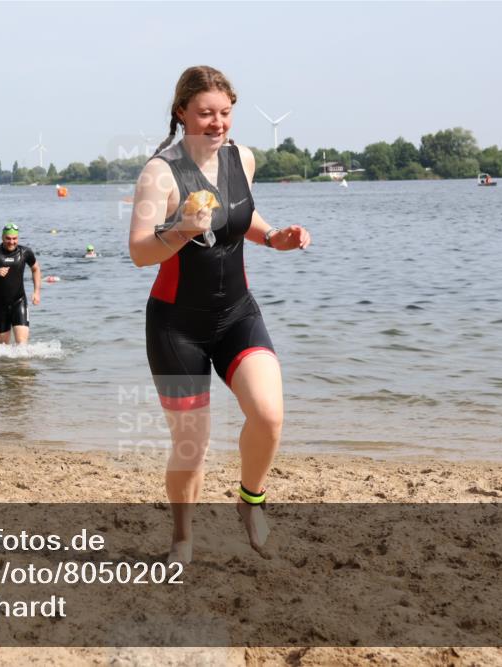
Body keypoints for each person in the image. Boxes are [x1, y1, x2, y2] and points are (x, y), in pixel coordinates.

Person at [128, 65, 311, 565]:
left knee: (268, 415)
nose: (218, 123)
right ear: (181, 112)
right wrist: (182, 229)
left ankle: (251, 500)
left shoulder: (241, 158)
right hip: (175, 327)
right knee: (192, 446)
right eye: (206, 113)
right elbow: (140, 251)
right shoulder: (159, 173)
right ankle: (182, 540)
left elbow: (240, 216)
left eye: (225, 112)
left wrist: (274, 237)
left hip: (237, 315)